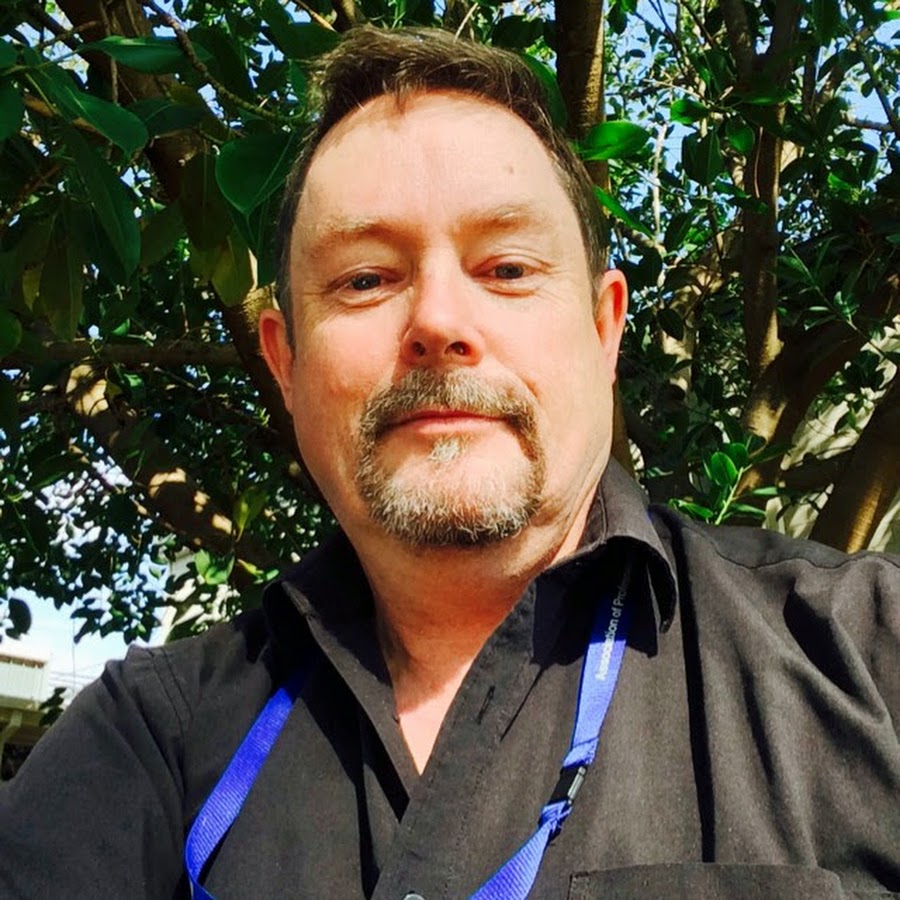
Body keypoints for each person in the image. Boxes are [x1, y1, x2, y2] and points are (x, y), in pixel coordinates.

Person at [1, 26, 898, 900]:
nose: (438, 321)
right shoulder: (149, 745)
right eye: (365, 279)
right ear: (285, 362)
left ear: (604, 329)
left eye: (506, 269)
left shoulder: (867, 655)